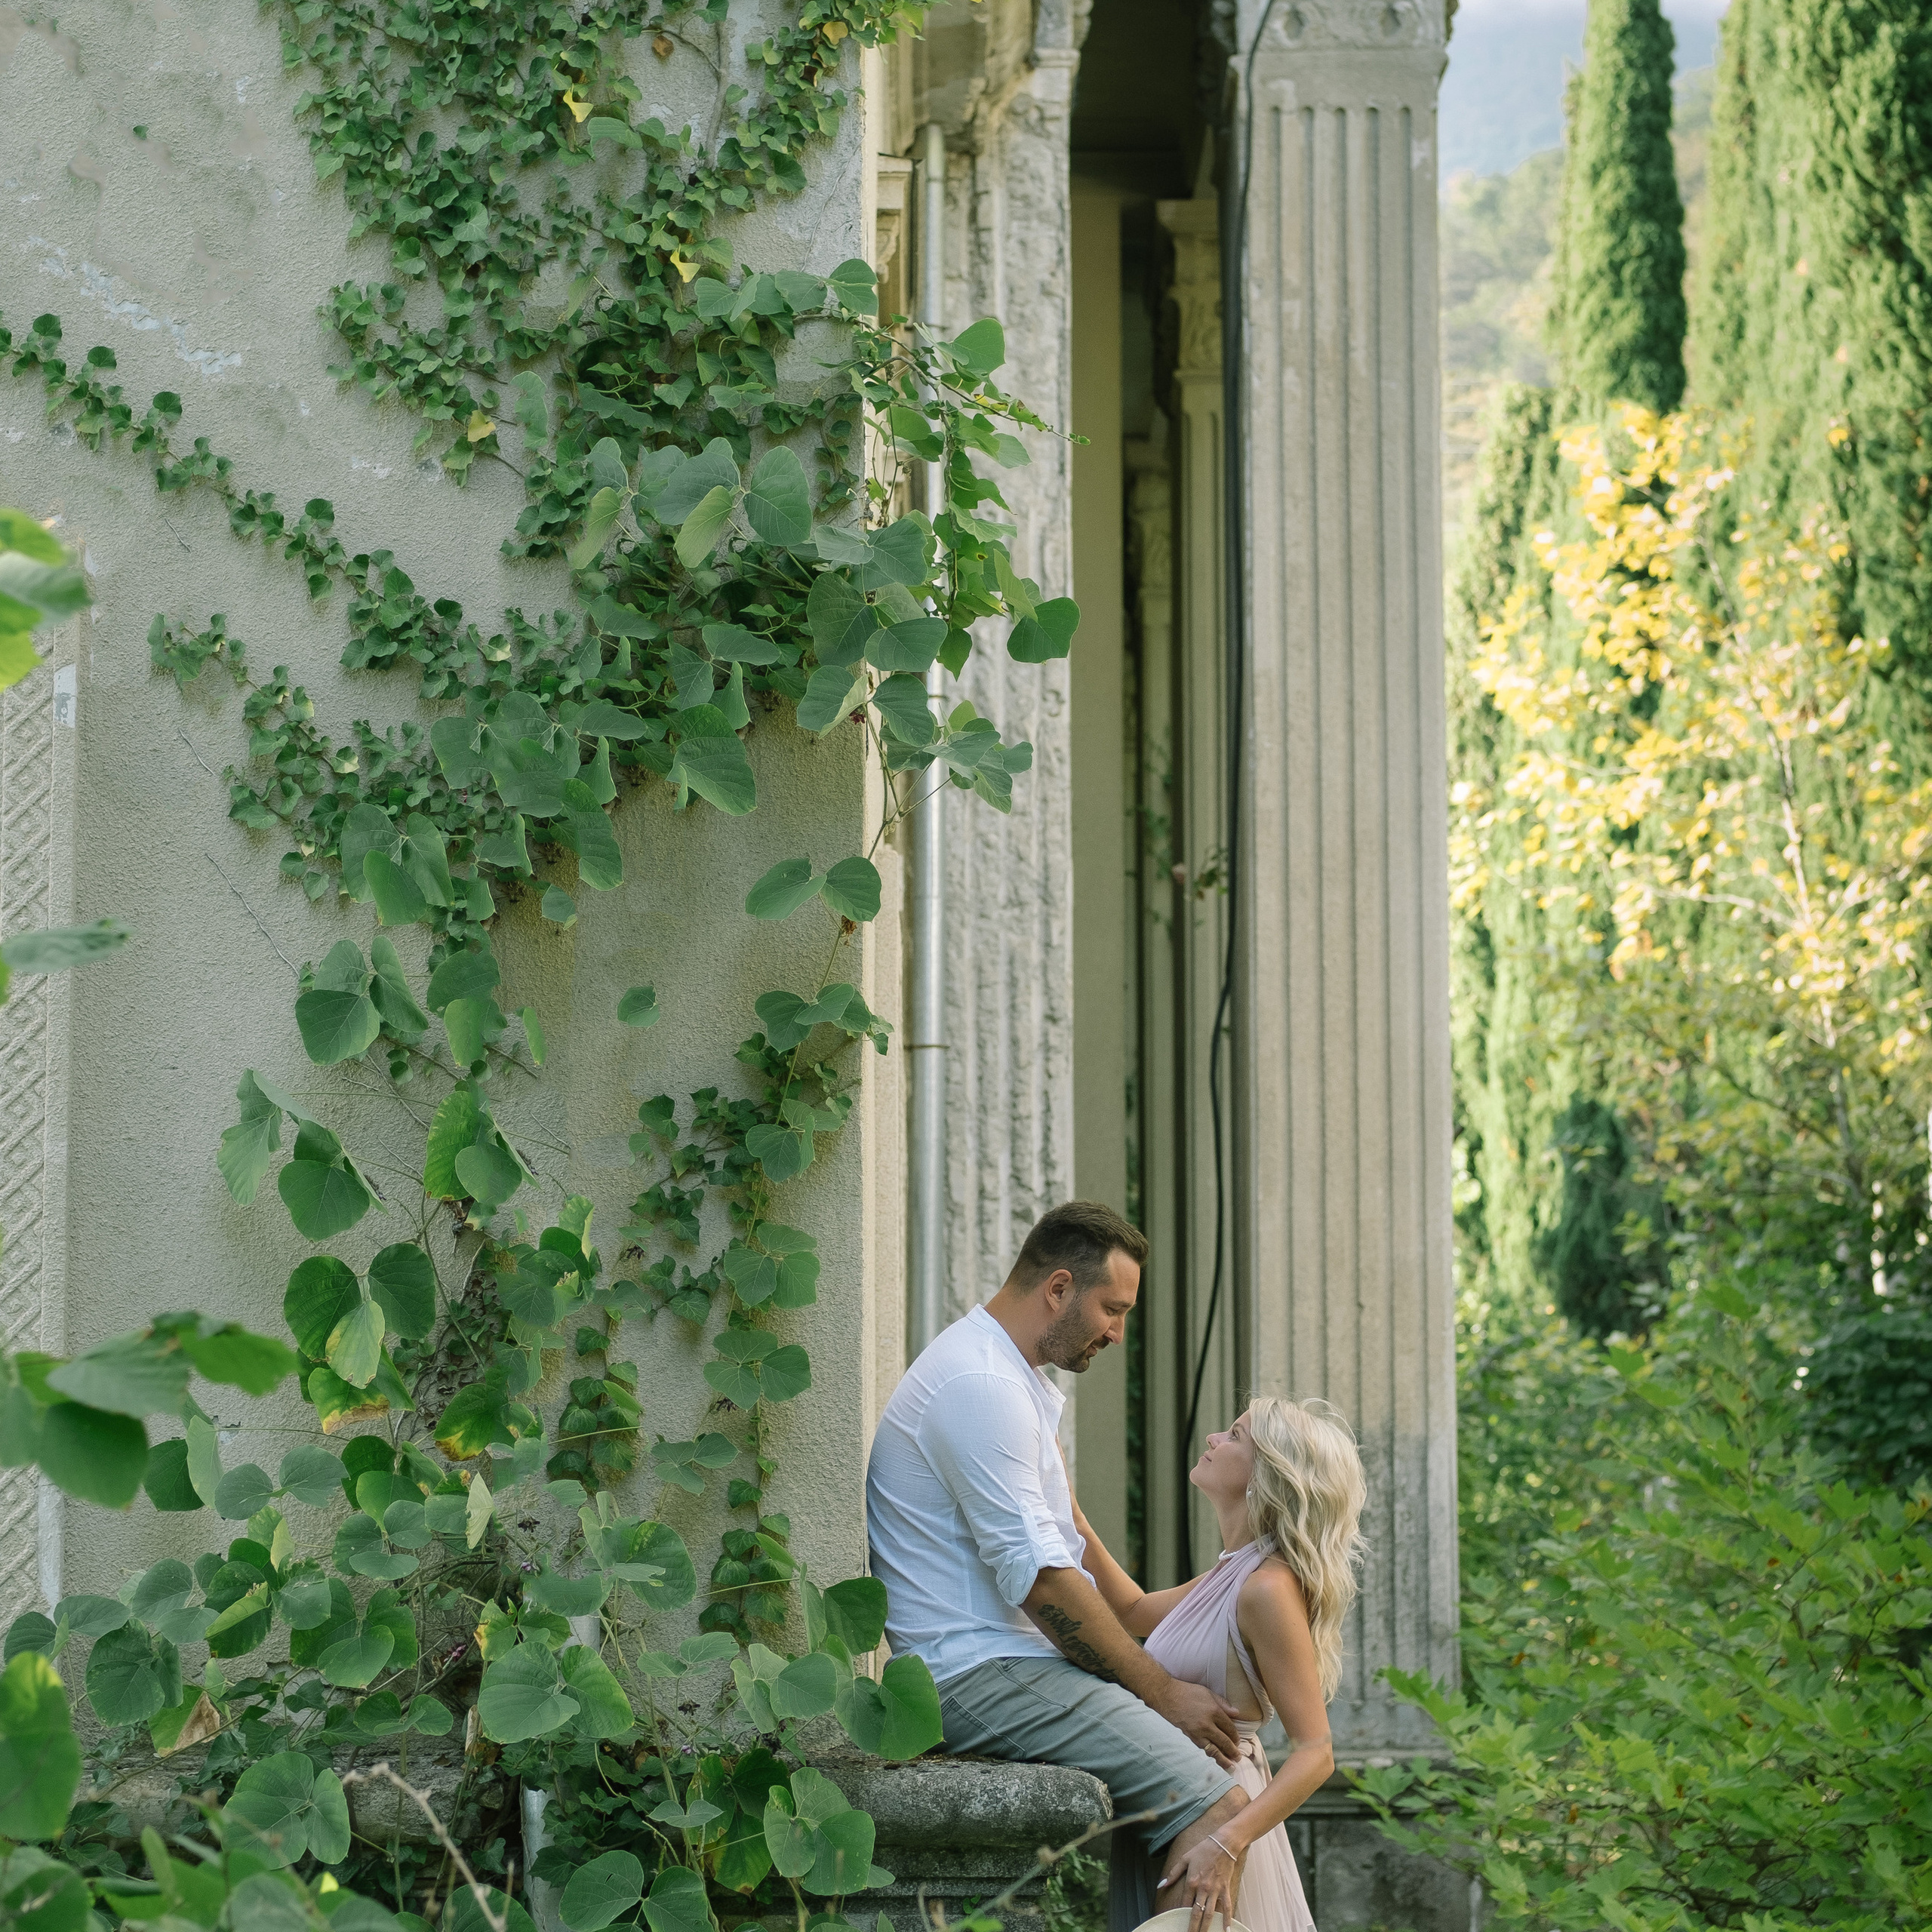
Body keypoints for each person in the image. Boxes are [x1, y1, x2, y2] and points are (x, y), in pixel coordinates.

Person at [866, 1201, 1253, 1932]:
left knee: (1173, 1810)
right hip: (978, 1672)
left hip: (1007, 1665)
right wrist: (1161, 1691)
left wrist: (1253, 1569)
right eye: (1112, 1308)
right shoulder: (980, 1386)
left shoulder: (1016, 1384)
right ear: (1058, 1287)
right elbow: (1046, 1586)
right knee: (1217, 1808)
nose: (1117, 1331)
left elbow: (1093, 1572)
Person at [1074, 1398, 1367, 1932]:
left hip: (1217, 1817)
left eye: (1234, 1435)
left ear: (1267, 1475)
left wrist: (1227, 1842)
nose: (1212, 1438)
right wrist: (1065, 1508)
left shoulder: (1267, 1587)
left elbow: (1316, 1753)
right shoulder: (1232, 1573)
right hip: (1175, 1804)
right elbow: (1133, 1610)